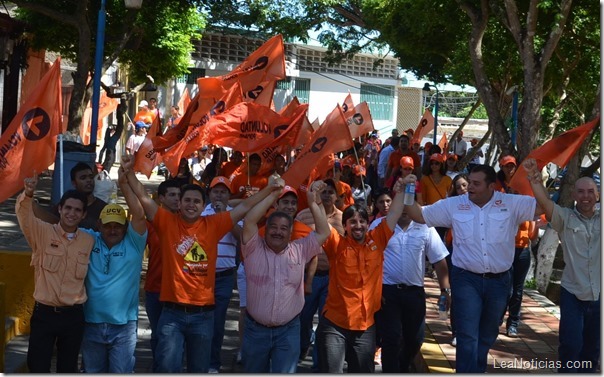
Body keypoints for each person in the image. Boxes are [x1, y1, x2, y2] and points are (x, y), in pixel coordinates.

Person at [120, 154, 283, 373]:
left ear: (203, 204)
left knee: (199, 370)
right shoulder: (166, 221)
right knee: (167, 369)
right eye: (187, 200)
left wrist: (270, 189)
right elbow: (142, 196)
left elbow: (244, 207)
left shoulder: (214, 224)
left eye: (196, 201)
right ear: (179, 203)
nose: (191, 205)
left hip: (203, 315)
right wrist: (129, 171)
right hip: (172, 315)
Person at [400, 165, 540, 372]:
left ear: (491, 186)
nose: (470, 188)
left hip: (500, 282)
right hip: (466, 280)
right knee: (467, 335)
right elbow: (419, 215)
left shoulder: (510, 203)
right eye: (469, 182)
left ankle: (477, 369)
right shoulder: (454, 205)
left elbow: (543, 207)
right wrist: (407, 190)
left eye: (476, 184)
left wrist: (536, 182)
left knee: (488, 334)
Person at [315, 176, 407, 373]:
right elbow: (321, 222)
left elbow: (395, 212)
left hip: (366, 326)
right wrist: (313, 197)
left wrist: (400, 189)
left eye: (362, 221)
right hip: (334, 325)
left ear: (368, 224)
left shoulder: (378, 239)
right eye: (352, 222)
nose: (358, 226)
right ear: (345, 226)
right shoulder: (336, 244)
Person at [240, 180, 330, 373]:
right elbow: (249, 220)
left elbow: (324, 232)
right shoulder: (253, 248)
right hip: (256, 331)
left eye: (283, 228)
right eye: (273, 227)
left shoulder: (300, 249)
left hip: (288, 332)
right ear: (266, 229)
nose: (277, 232)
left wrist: (313, 203)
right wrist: (273, 194)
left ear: (291, 233)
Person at [523, 158, 600, 373]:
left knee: (592, 350)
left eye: (590, 191)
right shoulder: (565, 218)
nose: (586, 196)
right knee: (571, 346)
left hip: (599, 296)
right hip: (572, 293)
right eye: (581, 192)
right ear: (574, 196)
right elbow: (546, 203)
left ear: (598, 195)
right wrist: (534, 178)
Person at [16, 173, 95, 373]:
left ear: (83, 215)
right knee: (38, 366)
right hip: (45, 314)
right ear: (60, 209)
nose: (72, 213)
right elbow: (24, 216)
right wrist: (28, 193)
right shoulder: (42, 232)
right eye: (67, 208)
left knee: (67, 369)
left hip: (73, 316)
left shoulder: (88, 241)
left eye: (78, 210)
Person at [80, 166, 147, 373]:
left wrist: (123, 183)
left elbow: (139, 214)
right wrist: (28, 201)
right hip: (91, 323)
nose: (112, 230)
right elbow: (61, 224)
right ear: (99, 225)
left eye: (118, 225)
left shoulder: (134, 243)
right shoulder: (89, 238)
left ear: (125, 227)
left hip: (123, 326)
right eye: (108, 225)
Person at [369, 203, 450, 372]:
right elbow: (368, 258)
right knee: (391, 337)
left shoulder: (426, 227)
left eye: (409, 204)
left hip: (414, 293)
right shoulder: (379, 225)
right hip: (387, 292)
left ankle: (403, 367)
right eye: (401, 204)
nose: (404, 208)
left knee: (415, 339)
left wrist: (445, 291)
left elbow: (439, 260)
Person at [296, 179, 345, 370]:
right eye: (323, 191)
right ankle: (303, 346)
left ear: (337, 197)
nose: (327, 195)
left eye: (331, 192)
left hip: (332, 279)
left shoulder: (343, 219)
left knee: (325, 324)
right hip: (308, 278)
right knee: (303, 319)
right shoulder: (303, 216)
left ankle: (318, 365)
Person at [202, 176, 242, 373]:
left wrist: (224, 217)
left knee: (218, 322)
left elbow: (241, 238)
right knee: (201, 321)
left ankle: (213, 364)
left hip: (225, 277)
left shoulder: (235, 214)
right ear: (209, 194)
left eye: (223, 191)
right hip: (201, 275)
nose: (219, 194)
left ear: (229, 195)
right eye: (215, 191)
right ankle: (197, 359)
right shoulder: (200, 212)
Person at [495, 155, 536, 338]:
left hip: (522, 248)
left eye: (512, 166)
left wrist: (532, 232)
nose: (510, 169)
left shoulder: (527, 193)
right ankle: (496, 320)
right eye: (506, 166)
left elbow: (534, 221)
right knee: (505, 287)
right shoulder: (498, 191)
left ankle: (513, 322)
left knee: (518, 289)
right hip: (505, 247)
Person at [143, 179, 181, 372]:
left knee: (175, 337)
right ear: (161, 198)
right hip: (155, 288)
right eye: (172, 195)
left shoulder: (186, 222)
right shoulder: (151, 224)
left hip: (178, 291)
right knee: (158, 335)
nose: (177, 199)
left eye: (179, 195)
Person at [34, 162, 107, 231]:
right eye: (83, 178)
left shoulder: (104, 209)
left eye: (91, 177)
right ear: (74, 183)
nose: (88, 180)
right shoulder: (65, 204)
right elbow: (49, 220)